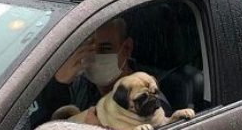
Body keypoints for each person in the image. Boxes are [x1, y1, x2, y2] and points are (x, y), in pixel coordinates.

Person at [34, 17, 170, 124]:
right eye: (88, 49)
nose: (95, 57)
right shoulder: (79, 86)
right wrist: (58, 84)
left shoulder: (145, 98)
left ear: (127, 48)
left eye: (105, 49)